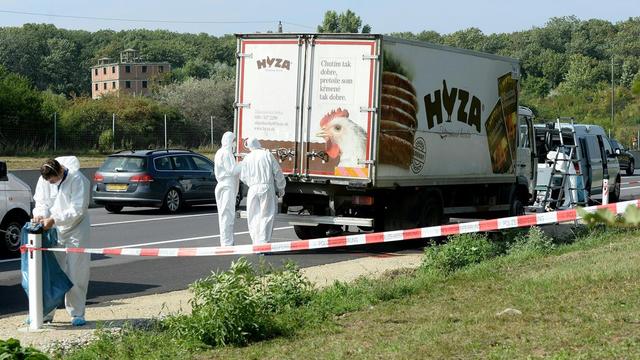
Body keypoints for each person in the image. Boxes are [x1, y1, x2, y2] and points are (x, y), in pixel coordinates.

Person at [33, 157, 91, 326]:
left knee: (76, 271)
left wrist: (55, 219)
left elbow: (78, 210)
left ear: (60, 171)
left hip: (77, 229)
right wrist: (40, 214)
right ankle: (45, 313)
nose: (51, 183)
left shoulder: (78, 179)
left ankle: (77, 313)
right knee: (52, 271)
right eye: (48, 181)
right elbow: (41, 201)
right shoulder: (44, 180)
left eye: (54, 180)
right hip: (55, 228)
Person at [239, 138, 286, 244]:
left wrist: (251, 183)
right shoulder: (267, 155)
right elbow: (278, 172)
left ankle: (255, 241)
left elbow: (242, 175)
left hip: (253, 189)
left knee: (253, 215)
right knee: (267, 215)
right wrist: (281, 187)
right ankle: (264, 242)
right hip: (266, 187)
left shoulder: (247, 158)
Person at [214, 132, 242, 246]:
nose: (235, 144)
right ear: (230, 141)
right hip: (227, 185)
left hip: (224, 185)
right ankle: (227, 243)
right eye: (234, 141)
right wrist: (243, 164)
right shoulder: (226, 153)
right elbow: (232, 170)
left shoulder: (220, 152)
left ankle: (226, 241)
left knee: (225, 214)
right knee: (227, 214)